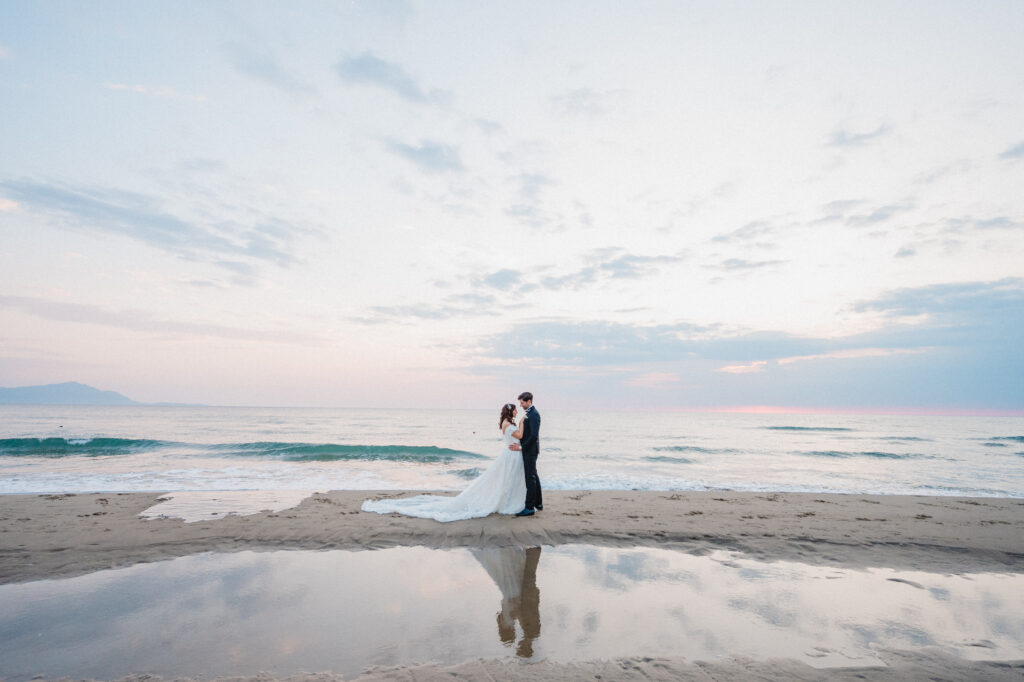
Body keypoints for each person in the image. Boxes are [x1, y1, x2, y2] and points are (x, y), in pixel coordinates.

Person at [360, 403, 527, 522]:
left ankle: (508, 500)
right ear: (510, 412)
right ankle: (505, 502)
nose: (517, 412)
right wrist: (521, 423)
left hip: (512, 453)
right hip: (511, 454)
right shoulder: (509, 424)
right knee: (507, 478)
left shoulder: (506, 422)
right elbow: (519, 436)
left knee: (509, 479)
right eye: (515, 410)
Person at [508, 391, 542, 517]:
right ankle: (538, 503)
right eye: (520, 403)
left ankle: (529, 508)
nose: (521, 405)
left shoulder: (534, 415)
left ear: (529, 401)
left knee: (530, 478)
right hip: (529, 450)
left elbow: (533, 436)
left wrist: (522, 447)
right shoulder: (529, 413)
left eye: (522, 403)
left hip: (530, 451)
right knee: (534, 475)